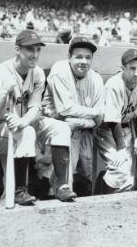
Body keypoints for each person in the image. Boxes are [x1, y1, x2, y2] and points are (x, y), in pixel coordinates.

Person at [0, 29, 48, 205]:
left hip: (17, 127)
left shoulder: (38, 73)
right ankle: (19, 191)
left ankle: (11, 198)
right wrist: (3, 93)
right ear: (17, 49)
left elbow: (35, 107)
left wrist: (22, 121)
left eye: (38, 49)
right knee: (27, 134)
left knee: (11, 173)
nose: (35, 54)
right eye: (30, 49)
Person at [42, 36, 104, 190]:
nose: (84, 61)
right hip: (52, 128)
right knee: (61, 176)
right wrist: (94, 113)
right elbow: (64, 110)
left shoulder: (96, 79)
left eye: (88, 57)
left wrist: (80, 121)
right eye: (79, 57)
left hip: (80, 130)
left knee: (90, 171)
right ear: (69, 57)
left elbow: (100, 119)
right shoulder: (60, 69)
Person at [94, 49, 137, 193]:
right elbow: (112, 121)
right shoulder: (114, 85)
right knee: (120, 169)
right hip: (107, 129)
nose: (136, 73)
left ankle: (113, 203)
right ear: (123, 68)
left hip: (129, 127)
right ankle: (99, 196)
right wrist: (120, 148)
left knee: (126, 177)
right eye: (132, 68)